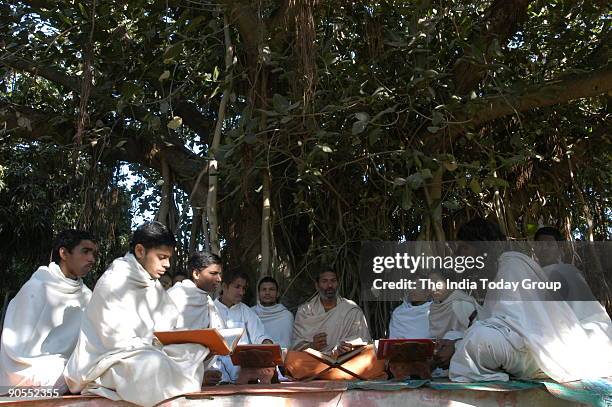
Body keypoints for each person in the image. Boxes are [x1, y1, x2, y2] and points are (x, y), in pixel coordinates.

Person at [440, 218, 612, 383]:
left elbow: (516, 326)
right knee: (463, 337)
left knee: (477, 340)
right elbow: (497, 322)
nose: (460, 255)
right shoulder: (494, 273)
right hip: (522, 345)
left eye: (465, 248)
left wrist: (458, 346)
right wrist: (457, 341)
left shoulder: (512, 264)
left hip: (537, 349)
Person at [64, 222, 210, 406]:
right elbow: (113, 339)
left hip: (147, 350)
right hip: (109, 360)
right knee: (150, 363)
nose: (167, 265)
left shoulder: (152, 283)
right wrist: (153, 346)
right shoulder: (114, 280)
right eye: (162, 257)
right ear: (140, 251)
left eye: (169, 258)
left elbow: (168, 325)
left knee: (193, 351)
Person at [0, 230, 96, 393]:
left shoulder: (87, 295)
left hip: (70, 368)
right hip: (30, 371)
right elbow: (15, 350)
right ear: (64, 253)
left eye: (94, 254)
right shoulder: (37, 287)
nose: (92, 259)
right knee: (61, 375)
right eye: (85, 251)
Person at [167, 251, 224, 386]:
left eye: (220, 274)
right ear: (196, 274)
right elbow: (163, 340)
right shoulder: (175, 296)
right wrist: (195, 375)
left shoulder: (207, 301)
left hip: (202, 372)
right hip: (175, 375)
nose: (219, 279)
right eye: (213, 273)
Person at [292, 270, 371, 354]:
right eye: (324, 281)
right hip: (313, 361)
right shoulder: (304, 311)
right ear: (317, 286)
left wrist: (350, 346)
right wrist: (312, 346)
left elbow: (364, 341)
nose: (330, 285)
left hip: (346, 361)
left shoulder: (351, 310)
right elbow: (296, 345)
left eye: (333, 281)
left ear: (338, 284)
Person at [214, 271, 272, 383]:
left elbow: (259, 336)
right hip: (217, 370)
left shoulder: (246, 311)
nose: (241, 292)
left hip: (244, 368)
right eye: (237, 287)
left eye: (244, 288)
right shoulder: (210, 309)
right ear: (224, 286)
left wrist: (267, 343)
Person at [429, 271, 480, 340]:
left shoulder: (463, 305)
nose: (433, 289)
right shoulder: (433, 307)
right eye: (430, 285)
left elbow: (475, 335)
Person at [251, 277, 294, 349]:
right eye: (264, 289)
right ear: (258, 293)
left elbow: (287, 345)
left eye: (271, 289)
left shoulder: (286, 316)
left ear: (277, 294)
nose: (267, 293)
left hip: (281, 357)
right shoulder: (250, 313)